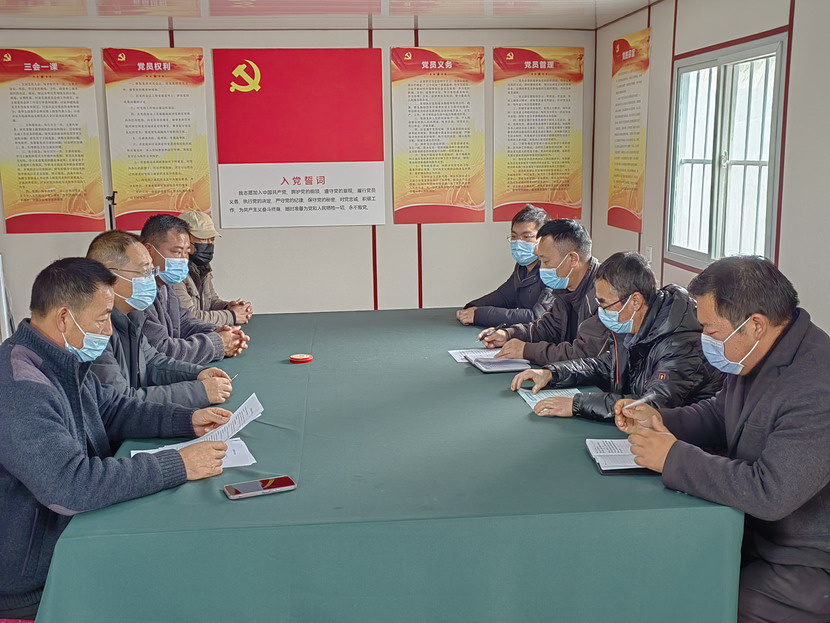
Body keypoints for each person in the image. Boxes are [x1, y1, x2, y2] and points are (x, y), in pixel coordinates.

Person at [0, 258, 231, 620]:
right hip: (37, 575)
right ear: (64, 317)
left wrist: (186, 421)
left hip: (69, 536)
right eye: (101, 318)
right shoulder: (20, 385)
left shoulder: (58, 358)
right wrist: (177, 464)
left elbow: (112, 409)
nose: (108, 331)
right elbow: (70, 485)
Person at [614, 256, 830, 623]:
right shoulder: (757, 352)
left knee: (710, 598)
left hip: (806, 559)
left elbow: (770, 492)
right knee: (662, 563)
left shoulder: (816, 385)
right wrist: (661, 419)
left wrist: (672, 458)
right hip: (752, 530)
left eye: (711, 331)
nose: (705, 341)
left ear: (755, 325)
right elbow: (719, 414)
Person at [511, 251, 722, 421]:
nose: (600, 310)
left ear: (635, 301)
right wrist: (552, 373)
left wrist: (577, 404)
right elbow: (604, 365)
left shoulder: (682, 344)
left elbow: (650, 405)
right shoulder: (632, 324)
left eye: (604, 303)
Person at [86, 230, 233, 408]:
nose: (151, 278)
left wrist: (198, 373)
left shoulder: (131, 316)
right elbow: (119, 402)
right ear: (110, 276)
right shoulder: (92, 330)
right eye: (144, 271)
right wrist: (200, 392)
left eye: (152, 270)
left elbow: (153, 363)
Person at [477, 218, 609, 364]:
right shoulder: (566, 285)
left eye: (546, 261)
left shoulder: (605, 295)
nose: (542, 269)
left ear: (572, 259)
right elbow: (548, 327)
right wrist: (509, 334)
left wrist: (527, 350)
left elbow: (585, 354)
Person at [140, 214, 248, 365]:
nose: (183, 259)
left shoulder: (164, 286)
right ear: (149, 250)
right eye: (177, 252)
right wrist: (218, 342)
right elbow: (162, 350)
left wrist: (218, 332)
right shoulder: (139, 294)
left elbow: (184, 322)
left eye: (186, 252)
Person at [456, 204, 552, 327]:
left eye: (526, 236)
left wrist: (479, 315)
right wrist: (473, 307)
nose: (518, 242)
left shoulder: (553, 271)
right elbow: (504, 296)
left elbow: (537, 316)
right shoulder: (522, 267)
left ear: (545, 239)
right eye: (514, 236)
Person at [173, 211, 253, 326]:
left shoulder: (202, 268)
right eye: (203, 238)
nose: (209, 244)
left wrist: (229, 307)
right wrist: (232, 315)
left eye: (212, 239)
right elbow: (189, 317)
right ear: (184, 239)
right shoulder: (173, 272)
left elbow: (210, 302)